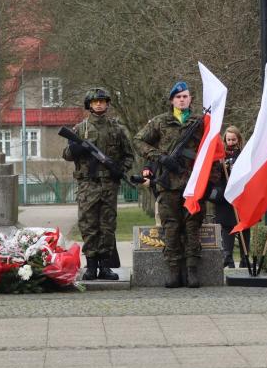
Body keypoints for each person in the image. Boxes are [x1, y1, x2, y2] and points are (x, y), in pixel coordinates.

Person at [133, 81, 205, 288]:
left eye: (185, 96)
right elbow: (138, 141)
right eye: (178, 97)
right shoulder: (159, 122)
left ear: (191, 99)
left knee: (193, 226)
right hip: (168, 183)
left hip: (193, 183)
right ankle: (174, 271)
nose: (182, 99)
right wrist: (160, 157)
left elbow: (211, 150)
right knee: (171, 227)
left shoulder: (200, 122)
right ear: (172, 100)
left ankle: (192, 271)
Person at [62, 88, 134, 281]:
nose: (99, 104)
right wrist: (76, 149)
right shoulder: (80, 129)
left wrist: (121, 169)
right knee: (88, 225)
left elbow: (129, 155)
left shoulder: (117, 129)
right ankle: (91, 265)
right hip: (88, 185)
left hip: (109, 185)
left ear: (107, 104)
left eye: (102, 101)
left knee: (107, 226)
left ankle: (105, 266)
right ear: (89, 105)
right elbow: (66, 155)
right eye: (95, 102)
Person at [210, 126, 251, 268]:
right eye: (228, 139)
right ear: (225, 140)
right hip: (225, 196)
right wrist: (221, 167)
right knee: (227, 227)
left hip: (242, 195)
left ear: (238, 139)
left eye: (234, 139)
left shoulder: (245, 154)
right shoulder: (220, 155)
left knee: (244, 226)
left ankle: (245, 258)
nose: (231, 142)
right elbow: (214, 175)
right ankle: (228, 257)